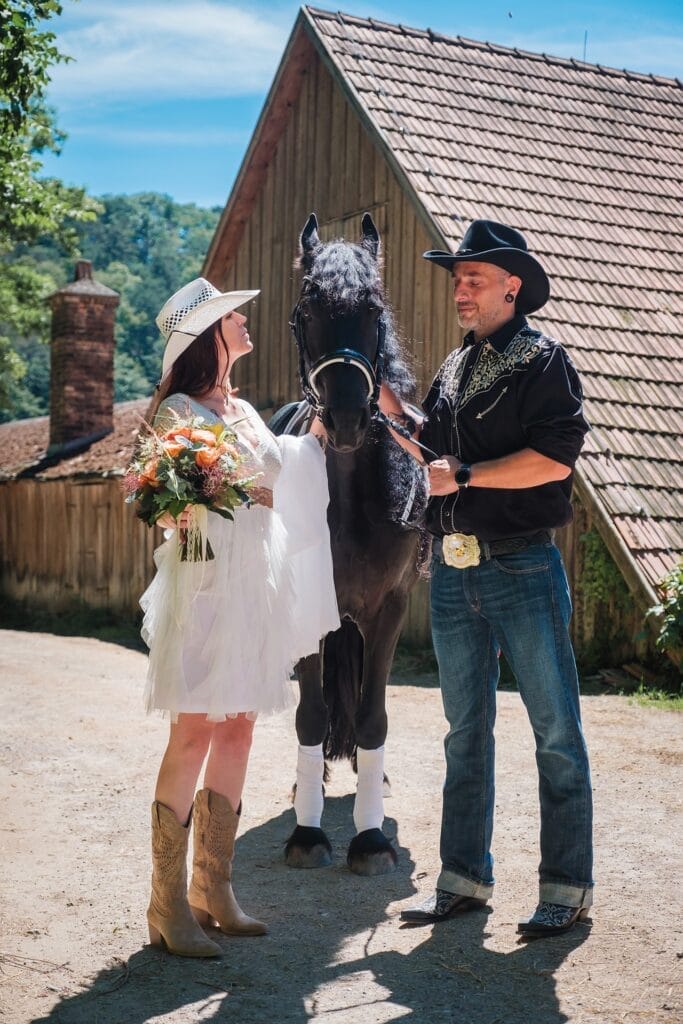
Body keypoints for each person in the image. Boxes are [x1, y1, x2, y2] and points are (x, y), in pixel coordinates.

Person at [386, 220, 593, 938]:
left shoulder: (542, 359)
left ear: (512, 285)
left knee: (555, 734)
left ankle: (566, 888)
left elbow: (554, 461)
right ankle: (462, 879)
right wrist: (396, 415)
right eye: (455, 278)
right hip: (452, 569)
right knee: (463, 733)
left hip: (522, 564)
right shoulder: (452, 366)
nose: (459, 289)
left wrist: (466, 474)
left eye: (471, 278)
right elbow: (440, 453)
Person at [139, 277, 340, 957]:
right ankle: (166, 903)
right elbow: (174, 505)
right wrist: (236, 489)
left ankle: (212, 888)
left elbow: (278, 477)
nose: (246, 320)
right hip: (203, 588)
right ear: (209, 336)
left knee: (240, 733)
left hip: (254, 589)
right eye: (233, 316)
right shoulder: (178, 414)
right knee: (193, 732)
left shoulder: (248, 411)